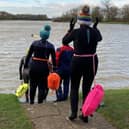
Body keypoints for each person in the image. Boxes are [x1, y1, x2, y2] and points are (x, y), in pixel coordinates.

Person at [62, 5, 102, 122]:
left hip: (77, 61)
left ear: (79, 21)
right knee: (86, 88)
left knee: (74, 87)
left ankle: (73, 113)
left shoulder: (75, 32)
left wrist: (70, 29)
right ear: (90, 21)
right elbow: (99, 38)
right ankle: (85, 114)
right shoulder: (94, 32)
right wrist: (95, 27)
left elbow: (64, 42)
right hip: (91, 61)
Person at [24, 24, 56, 104]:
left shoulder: (34, 43)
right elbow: (54, 59)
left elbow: (28, 55)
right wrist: (54, 69)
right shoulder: (51, 46)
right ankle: (40, 102)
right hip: (44, 67)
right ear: (48, 36)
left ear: (41, 35)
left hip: (34, 66)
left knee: (33, 85)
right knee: (42, 86)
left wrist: (25, 66)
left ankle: (31, 101)